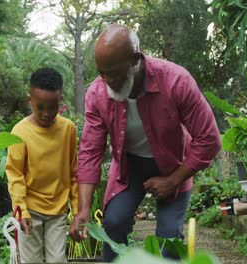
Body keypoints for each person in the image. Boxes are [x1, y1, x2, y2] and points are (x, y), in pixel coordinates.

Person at [69, 24, 221, 262]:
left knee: (169, 237)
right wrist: (84, 209)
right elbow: (90, 152)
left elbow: (209, 140)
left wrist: (173, 180)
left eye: (115, 74)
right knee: (114, 224)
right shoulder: (98, 93)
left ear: (136, 59)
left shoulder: (176, 81)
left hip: (174, 166)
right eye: (102, 73)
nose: (108, 81)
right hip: (129, 168)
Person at [6, 67, 79, 263]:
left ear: (60, 101)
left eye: (52, 107)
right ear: (30, 100)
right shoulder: (20, 132)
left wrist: (78, 211)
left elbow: (74, 172)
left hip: (58, 209)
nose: (46, 114)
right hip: (30, 210)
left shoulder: (68, 129)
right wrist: (21, 211)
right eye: (40, 107)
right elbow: (15, 175)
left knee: (57, 261)